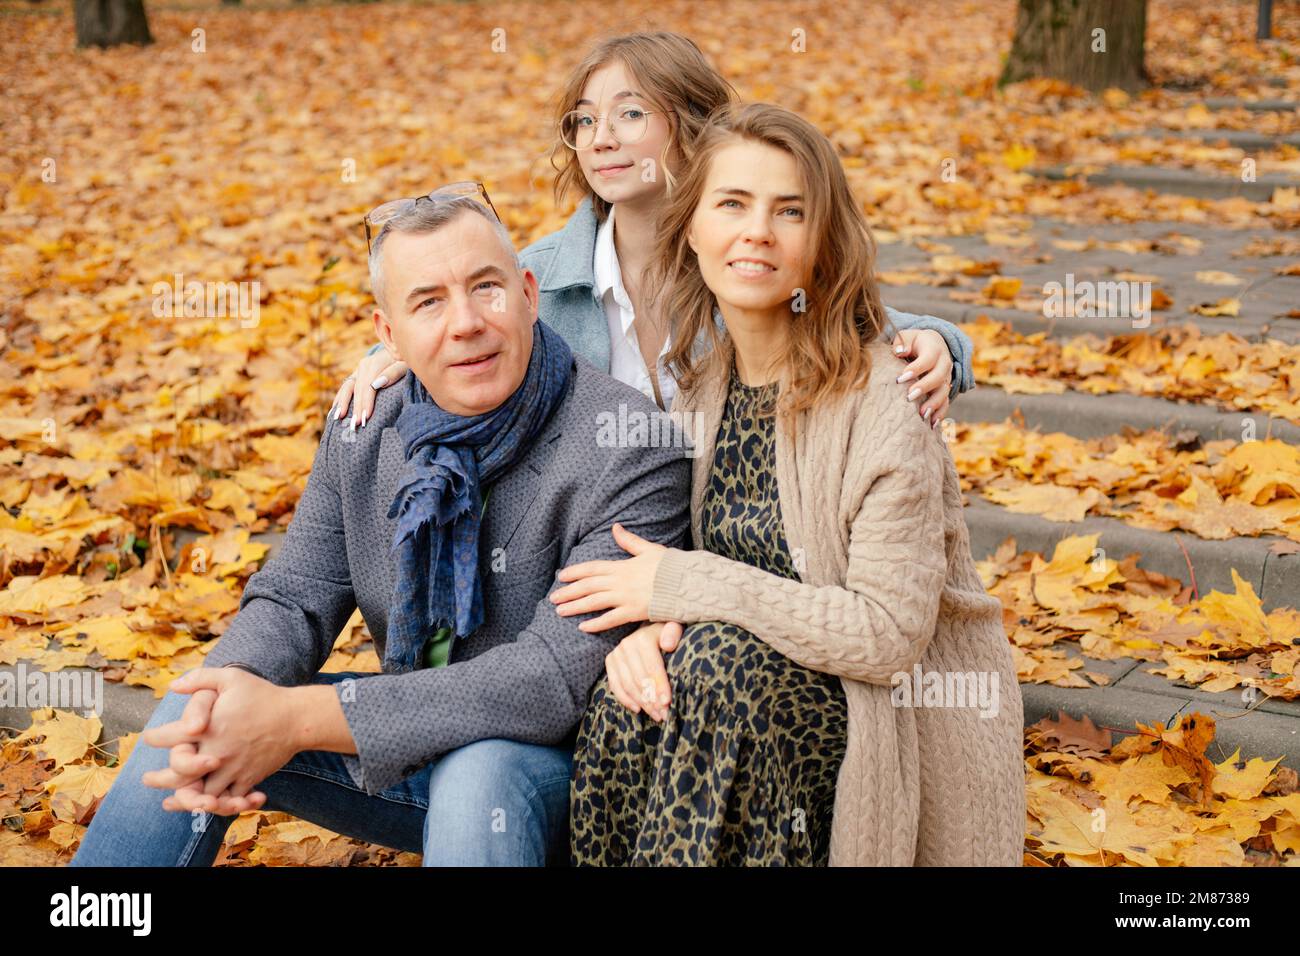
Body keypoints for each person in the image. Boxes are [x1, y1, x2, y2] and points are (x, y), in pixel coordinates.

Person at [70, 193, 691, 867]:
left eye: (486, 288)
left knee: (479, 772)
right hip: (408, 744)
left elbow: (545, 683)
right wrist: (235, 689)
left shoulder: (629, 443)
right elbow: (294, 595)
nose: (466, 324)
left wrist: (294, 720)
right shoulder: (368, 426)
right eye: (427, 302)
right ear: (387, 333)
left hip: (566, 781)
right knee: (191, 711)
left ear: (529, 292)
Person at [551, 103, 1025, 867]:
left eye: (790, 212)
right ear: (693, 229)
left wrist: (690, 586)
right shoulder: (702, 390)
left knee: (717, 674)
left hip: (880, 711)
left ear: (821, 244)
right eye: (732, 204)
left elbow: (888, 636)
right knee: (628, 700)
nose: (758, 232)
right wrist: (647, 632)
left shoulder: (884, 398)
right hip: (731, 698)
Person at [330, 31, 972, 431]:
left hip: (728, 552)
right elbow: (451, 330)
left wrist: (942, 345)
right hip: (587, 556)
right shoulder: (541, 275)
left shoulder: (738, 256)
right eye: (584, 121)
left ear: (692, 125)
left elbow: (864, 317)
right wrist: (379, 360)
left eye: (629, 114)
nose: (601, 138)